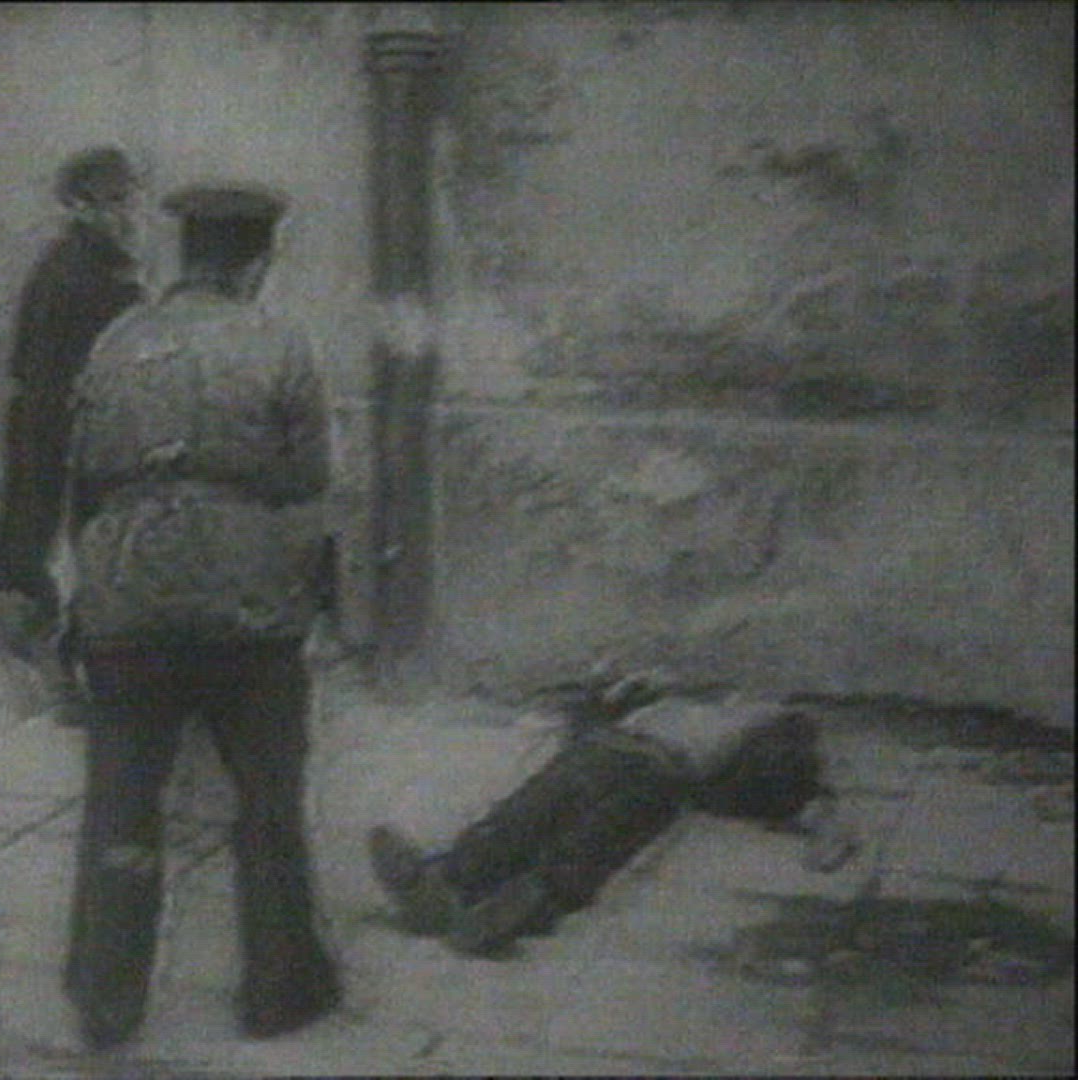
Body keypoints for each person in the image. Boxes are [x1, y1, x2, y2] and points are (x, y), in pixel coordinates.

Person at [52, 183, 340, 1049]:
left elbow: (85, 472)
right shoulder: (280, 342)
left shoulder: (118, 340)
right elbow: (309, 478)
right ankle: (280, 992)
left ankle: (107, 996)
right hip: (248, 614)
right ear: (256, 261)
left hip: (130, 602)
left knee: (122, 800)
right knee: (268, 802)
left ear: (188, 255)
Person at [368, 677, 859, 957]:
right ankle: (445, 884)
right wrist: (615, 695)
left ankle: (526, 906)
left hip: (663, 771)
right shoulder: (674, 695)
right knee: (528, 811)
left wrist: (827, 835)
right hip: (603, 750)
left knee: (597, 838)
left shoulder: (778, 728)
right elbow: (593, 709)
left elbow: (810, 799)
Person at [0, 146, 144, 618]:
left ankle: (37, 609)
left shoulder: (76, 264)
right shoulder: (84, 273)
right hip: (62, 422)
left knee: (41, 531)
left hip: (51, 416)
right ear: (79, 206)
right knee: (57, 536)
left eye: (128, 200)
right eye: (113, 202)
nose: (126, 215)